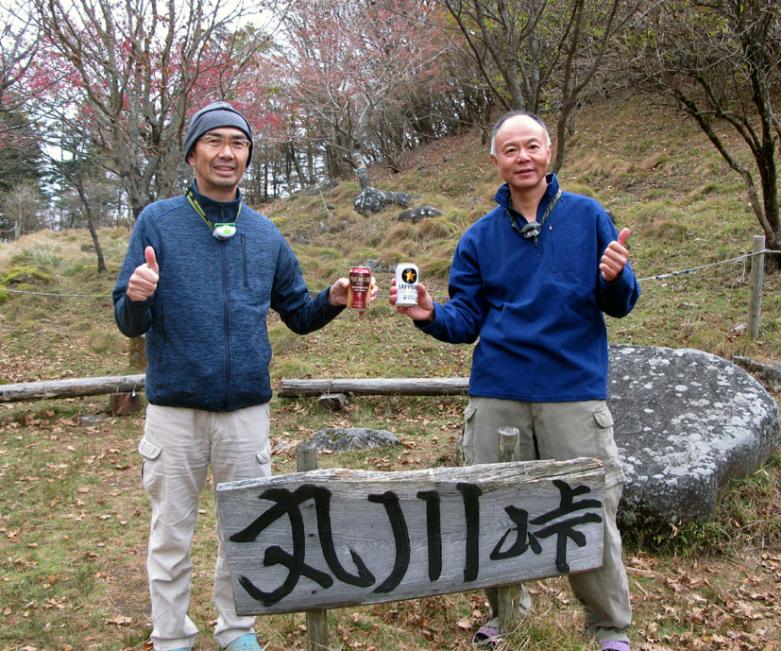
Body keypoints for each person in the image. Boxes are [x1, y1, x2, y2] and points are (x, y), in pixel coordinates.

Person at [113, 101, 375, 651]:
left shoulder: (265, 233)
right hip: (175, 411)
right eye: (214, 141)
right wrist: (136, 295)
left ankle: (236, 630)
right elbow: (128, 318)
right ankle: (171, 636)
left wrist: (330, 298)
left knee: (246, 528)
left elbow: (298, 316)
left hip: (247, 413)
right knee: (170, 534)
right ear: (192, 153)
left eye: (238, 142)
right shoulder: (157, 222)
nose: (226, 152)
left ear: (249, 155)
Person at [390, 110, 639, 651]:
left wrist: (617, 277)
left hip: (572, 391)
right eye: (511, 150)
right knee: (492, 508)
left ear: (549, 151)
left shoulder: (588, 216)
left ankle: (609, 627)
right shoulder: (479, 237)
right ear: (496, 161)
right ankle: (507, 617)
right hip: (498, 391)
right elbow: (467, 321)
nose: (522, 158)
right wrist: (432, 314)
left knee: (589, 509)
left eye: (532, 146)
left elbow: (619, 303)